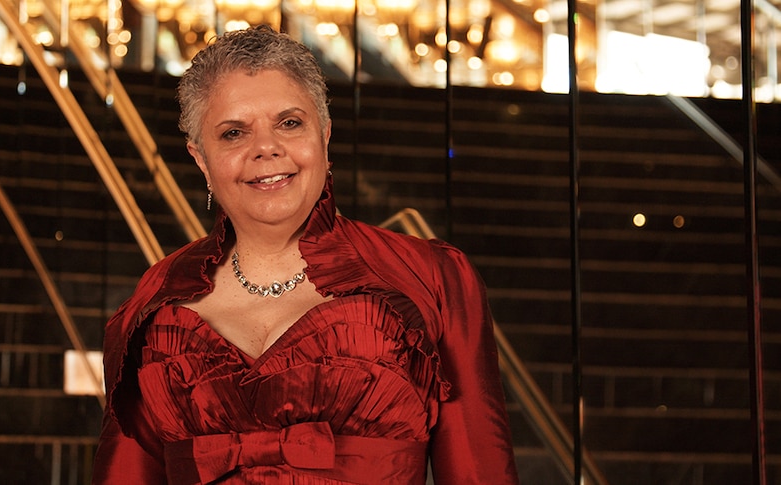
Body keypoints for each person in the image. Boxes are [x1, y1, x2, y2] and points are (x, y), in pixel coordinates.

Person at [92, 25, 519, 484]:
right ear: (201, 159)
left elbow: (481, 473)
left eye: (289, 123)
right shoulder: (157, 298)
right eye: (234, 133)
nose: (266, 148)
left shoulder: (429, 277)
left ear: (325, 135)